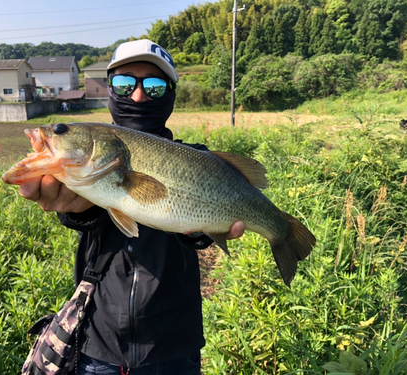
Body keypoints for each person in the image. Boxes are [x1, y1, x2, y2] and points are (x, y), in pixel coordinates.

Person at [19, 39, 245, 375]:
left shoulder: (197, 159)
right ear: (110, 89)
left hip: (173, 345)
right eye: (125, 84)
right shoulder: (84, 165)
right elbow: (85, 210)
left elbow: (196, 229)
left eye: (154, 86)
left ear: (170, 94)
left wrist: (204, 231)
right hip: (99, 341)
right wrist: (78, 208)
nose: (138, 95)